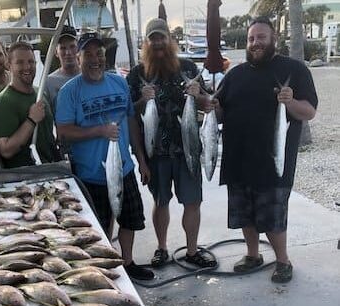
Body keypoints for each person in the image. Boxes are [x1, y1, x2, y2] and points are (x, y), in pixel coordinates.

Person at [215, 17, 318, 283]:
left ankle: (283, 261)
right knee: (245, 216)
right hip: (237, 159)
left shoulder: (295, 69)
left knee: (273, 218)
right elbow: (220, 111)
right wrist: (206, 104)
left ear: (274, 39)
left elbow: (309, 111)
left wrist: (290, 100)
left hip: (273, 160)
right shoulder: (235, 74)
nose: (255, 43)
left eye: (261, 37)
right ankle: (253, 255)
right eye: (251, 38)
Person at [56, 32, 154, 281]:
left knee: (130, 219)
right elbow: (64, 131)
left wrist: (141, 159)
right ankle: (104, 268)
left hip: (123, 168)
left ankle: (128, 262)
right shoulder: (70, 91)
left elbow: (131, 120)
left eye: (98, 53)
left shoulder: (118, 83)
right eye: (87, 54)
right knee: (97, 228)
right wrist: (99, 131)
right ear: (78, 58)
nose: (94, 59)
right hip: (91, 175)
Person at [127, 18, 216, 269]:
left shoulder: (188, 67)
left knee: (192, 202)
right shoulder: (136, 75)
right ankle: (162, 248)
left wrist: (200, 96)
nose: (157, 42)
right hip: (156, 152)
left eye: (161, 37)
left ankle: (191, 250)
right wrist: (141, 159)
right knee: (161, 202)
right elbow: (130, 117)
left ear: (170, 39)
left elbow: (208, 103)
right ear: (146, 42)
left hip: (188, 149)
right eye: (152, 38)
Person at [0, 41, 61, 168]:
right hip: (26, 179)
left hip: (52, 170)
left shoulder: (40, 93)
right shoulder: (3, 102)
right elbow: (6, 150)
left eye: (31, 61)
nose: (27, 67)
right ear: (9, 65)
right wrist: (31, 120)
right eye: (20, 62)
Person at [45, 25, 80, 114]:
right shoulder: (49, 82)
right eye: (63, 48)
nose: (68, 52)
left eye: (72, 46)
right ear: (56, 52)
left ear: (78, 48)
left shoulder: (90, 75)